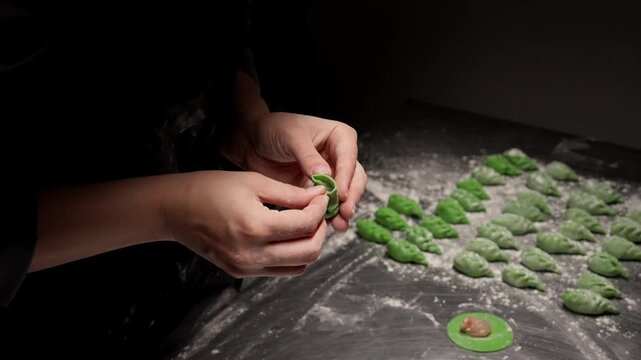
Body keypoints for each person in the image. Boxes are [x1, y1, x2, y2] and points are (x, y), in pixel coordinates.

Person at [0, 0, 366, 357]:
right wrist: (169, 211)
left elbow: (197, 32)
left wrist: (245, 120)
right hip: (51, 314)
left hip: (187, 293)